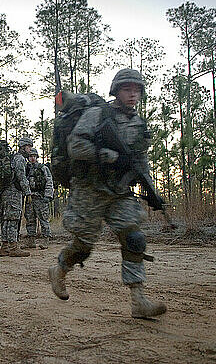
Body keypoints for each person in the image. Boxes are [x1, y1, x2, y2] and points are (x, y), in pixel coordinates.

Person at [48, 69, 167, 319]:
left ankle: (138, 300)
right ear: (116, 91)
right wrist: (105, 156)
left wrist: (151, 190)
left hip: (118, 190)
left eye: (136, 89)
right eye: (127, 89)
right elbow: (76, 146)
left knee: (134, 238)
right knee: (84, 247)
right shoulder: (97, 114)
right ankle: (59, 268)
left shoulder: (138, 124)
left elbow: (140, 161)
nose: (133, 94)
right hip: (89, 189)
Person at [0, 137, 32, 257]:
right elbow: (21, 177)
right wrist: (27, 191)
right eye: (29, 146)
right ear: (23, 147)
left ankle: (5, 247)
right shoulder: (19, 159)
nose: (30, 149)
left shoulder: (14, 157)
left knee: (7, 220)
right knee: (13, 219)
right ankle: (13, 247)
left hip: (7, 192)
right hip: (13, 192)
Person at [23, 147, 54, 249]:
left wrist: (48, 196)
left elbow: (49, 182)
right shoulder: (25, 169)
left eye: (34, 156)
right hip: (30, 198)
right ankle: (31, 240)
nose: (32, 158)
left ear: (37, 157)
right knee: (30, 219)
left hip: (40, 197)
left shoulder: (43, 168)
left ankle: (46, 240)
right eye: (30, 156)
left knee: (43, 219)